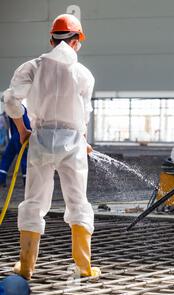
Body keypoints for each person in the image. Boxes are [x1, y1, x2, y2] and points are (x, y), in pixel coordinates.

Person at [2, 13, 100, 280]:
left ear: (51, 39)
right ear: (77, 40)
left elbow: (11, 101)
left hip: (41, 139)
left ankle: (26, 267)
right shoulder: (83, 74)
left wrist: (23, 131)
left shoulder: (32, 67)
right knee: (78, 201)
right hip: (72, 143)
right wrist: (83, 140)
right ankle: (84, 267)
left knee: (34, 202)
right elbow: (84, 113)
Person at [0, 104, 31, 187]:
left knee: (7, 157)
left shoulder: (14, 107)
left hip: (15, 136)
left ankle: (1, 178)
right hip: (21, 135)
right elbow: (27, 124)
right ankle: (26, 181)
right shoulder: (20, 108)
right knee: (24, 158)